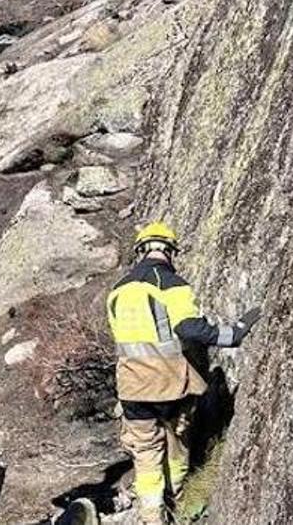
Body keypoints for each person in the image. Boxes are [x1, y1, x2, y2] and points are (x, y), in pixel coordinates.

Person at [106, 222, 262, 525]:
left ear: (141, 250)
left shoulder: (117, 291)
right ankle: (176, 502)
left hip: (131, 388)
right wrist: (235, 333)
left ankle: (152, 517)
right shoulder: (169, 283)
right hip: (168, 385)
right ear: (170, 250)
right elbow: (190, 327)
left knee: (146, 455)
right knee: (177, 447)